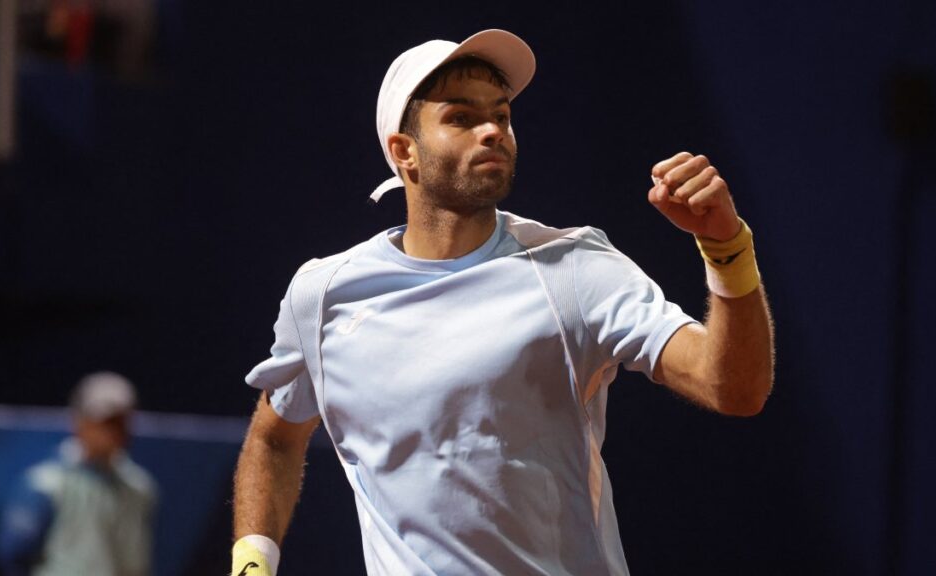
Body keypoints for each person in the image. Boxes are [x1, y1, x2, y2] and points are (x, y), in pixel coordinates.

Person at [232, 29, 773, 576]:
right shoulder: (322, 295)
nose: (492, 130)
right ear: (404, 152)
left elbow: (733, 388)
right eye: (462, 118)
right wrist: (252, 561)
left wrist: (726, 246)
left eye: (502, 115)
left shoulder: (577, 268)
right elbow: (275, 437)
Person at [0, 372, 157, 576]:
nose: (112, 431)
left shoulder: (140, 488)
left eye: (120, 422)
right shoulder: (46, 484)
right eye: (104, 422)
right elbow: (13, 555)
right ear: (80, 422)